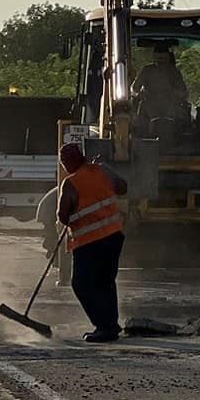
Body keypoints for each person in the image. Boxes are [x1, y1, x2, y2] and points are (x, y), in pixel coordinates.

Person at [58, 142, 128, 343]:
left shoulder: (71, 183)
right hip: (114, 236)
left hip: (89, 242)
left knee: (81, 284)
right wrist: (106, 172)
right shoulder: (102, 171)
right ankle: (110, 325)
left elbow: (62, 216)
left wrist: (71, 214)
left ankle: (104, 326)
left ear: (66, 163)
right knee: (105, 282)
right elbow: (122, 187)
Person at [132, 45, 192, 128]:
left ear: (168, 58)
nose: (161, 62)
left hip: (171, 106)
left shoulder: (174, 72)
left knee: (182, 117)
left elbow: (184, 92)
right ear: (154, 57)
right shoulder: (147, 70)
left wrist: (175, 94)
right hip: (149, 106)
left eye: (163, 58)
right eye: (159, 58)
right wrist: (140, 94)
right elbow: (134, 89)